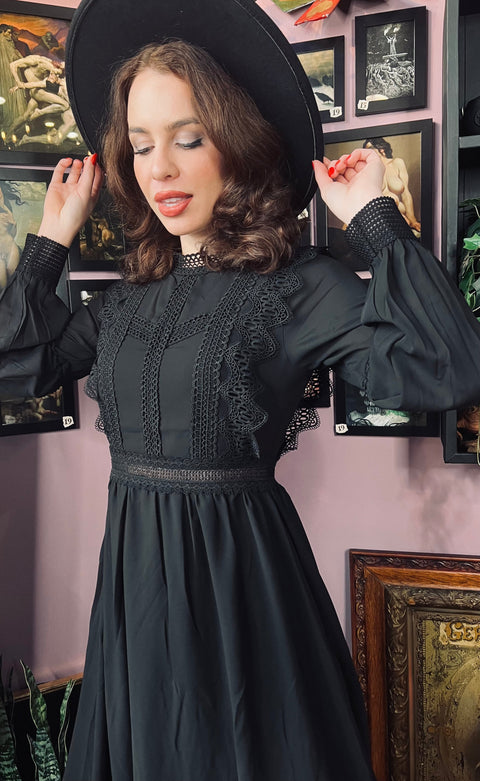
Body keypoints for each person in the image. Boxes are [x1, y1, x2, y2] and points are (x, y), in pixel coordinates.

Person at [1, 1, 480, 779]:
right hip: (134, 601)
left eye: (188, 138)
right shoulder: (126, 300)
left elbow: (447, 368)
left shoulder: (301, 285)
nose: (159, 168)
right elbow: (13, 366)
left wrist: (377, 220)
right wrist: (50, 241)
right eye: (141, 144)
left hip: (245, 601)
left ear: (237, 140)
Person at [363, 136, 421, 234]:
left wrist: (413, 220)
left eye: (370, 149)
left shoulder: (397, 163)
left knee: (407, 223)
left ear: (381, 149)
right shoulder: (369, 170)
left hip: (399, 213)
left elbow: (406, 194)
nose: (368, 154)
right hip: (380, 217)